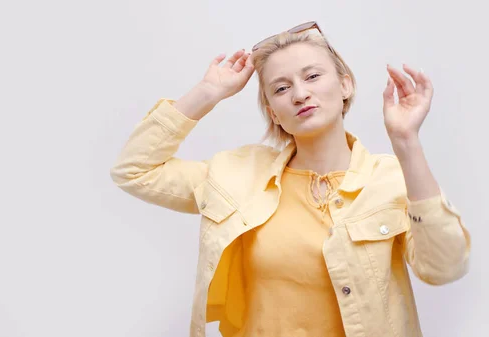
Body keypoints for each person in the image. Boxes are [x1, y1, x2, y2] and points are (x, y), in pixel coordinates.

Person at [109, 21, 471, 337]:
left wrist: (406, 142)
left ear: (345, 86)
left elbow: (445, 268)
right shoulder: (233, 175)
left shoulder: (392, 178)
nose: (300, 94)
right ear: (273, 113)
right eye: (281, 88)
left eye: (312, 76)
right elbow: (134, 170)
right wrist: (209, 92)